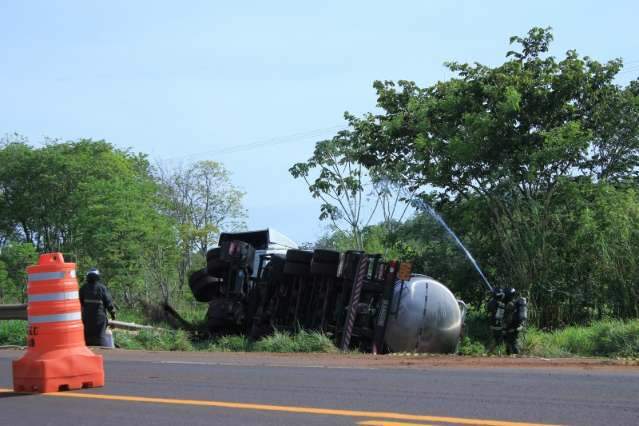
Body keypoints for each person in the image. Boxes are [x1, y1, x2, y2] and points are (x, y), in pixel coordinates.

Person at [79, 268, 116, 346]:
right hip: (100, 318)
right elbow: (109, 302)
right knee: (100, 338)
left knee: (87, 338)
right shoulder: (102, 288)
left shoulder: (83, 288)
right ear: (97, 277)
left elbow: (79, 302)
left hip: (86, 318)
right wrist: (113, 314)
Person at [502, 287, 528, 355]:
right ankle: (513, 357)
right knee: (511, 343)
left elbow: (508, 318)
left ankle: (516, 359)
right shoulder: (514, 303)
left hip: (512, 327)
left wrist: (505, 328)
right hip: (515, 326)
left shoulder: (510, 304)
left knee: (512, 343)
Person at [487, 287, 506, 352]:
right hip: (498, 325)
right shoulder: (501, 303)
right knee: (497, 340)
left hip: (491, 324)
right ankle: (490, 351)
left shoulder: (491, 302)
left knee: (494, 339)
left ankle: (491, 351)